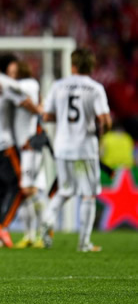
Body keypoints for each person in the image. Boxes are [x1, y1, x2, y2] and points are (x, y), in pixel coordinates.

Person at [41, 48, 112, 252]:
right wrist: (104, 130)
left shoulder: (58, 86)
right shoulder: (95, 88)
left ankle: (47, 220)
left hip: (62, 147)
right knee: (88, 194)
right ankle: (84, 243)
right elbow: (104, 120)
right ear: (91, 66)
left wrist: (62, 118)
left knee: (65, 189)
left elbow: (46, 116)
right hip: (84, 150)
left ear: (72, 65)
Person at [0, 54, 41, 248]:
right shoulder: (4, 88)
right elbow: (26, 104)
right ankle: (2, 228)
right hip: (1, 144)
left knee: (0, 190)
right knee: (20, 186)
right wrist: (40, 111)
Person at [0, 61, 49, 248]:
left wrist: (0, 81)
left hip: (30, 144)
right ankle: (31, 236)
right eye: (9, 72)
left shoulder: (29, 84)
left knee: (29, 190)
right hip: (22, 147)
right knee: (29, 191)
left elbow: (15, 90)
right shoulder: (15, 90)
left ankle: (45, 234)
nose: (11, 75)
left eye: (14, 72)